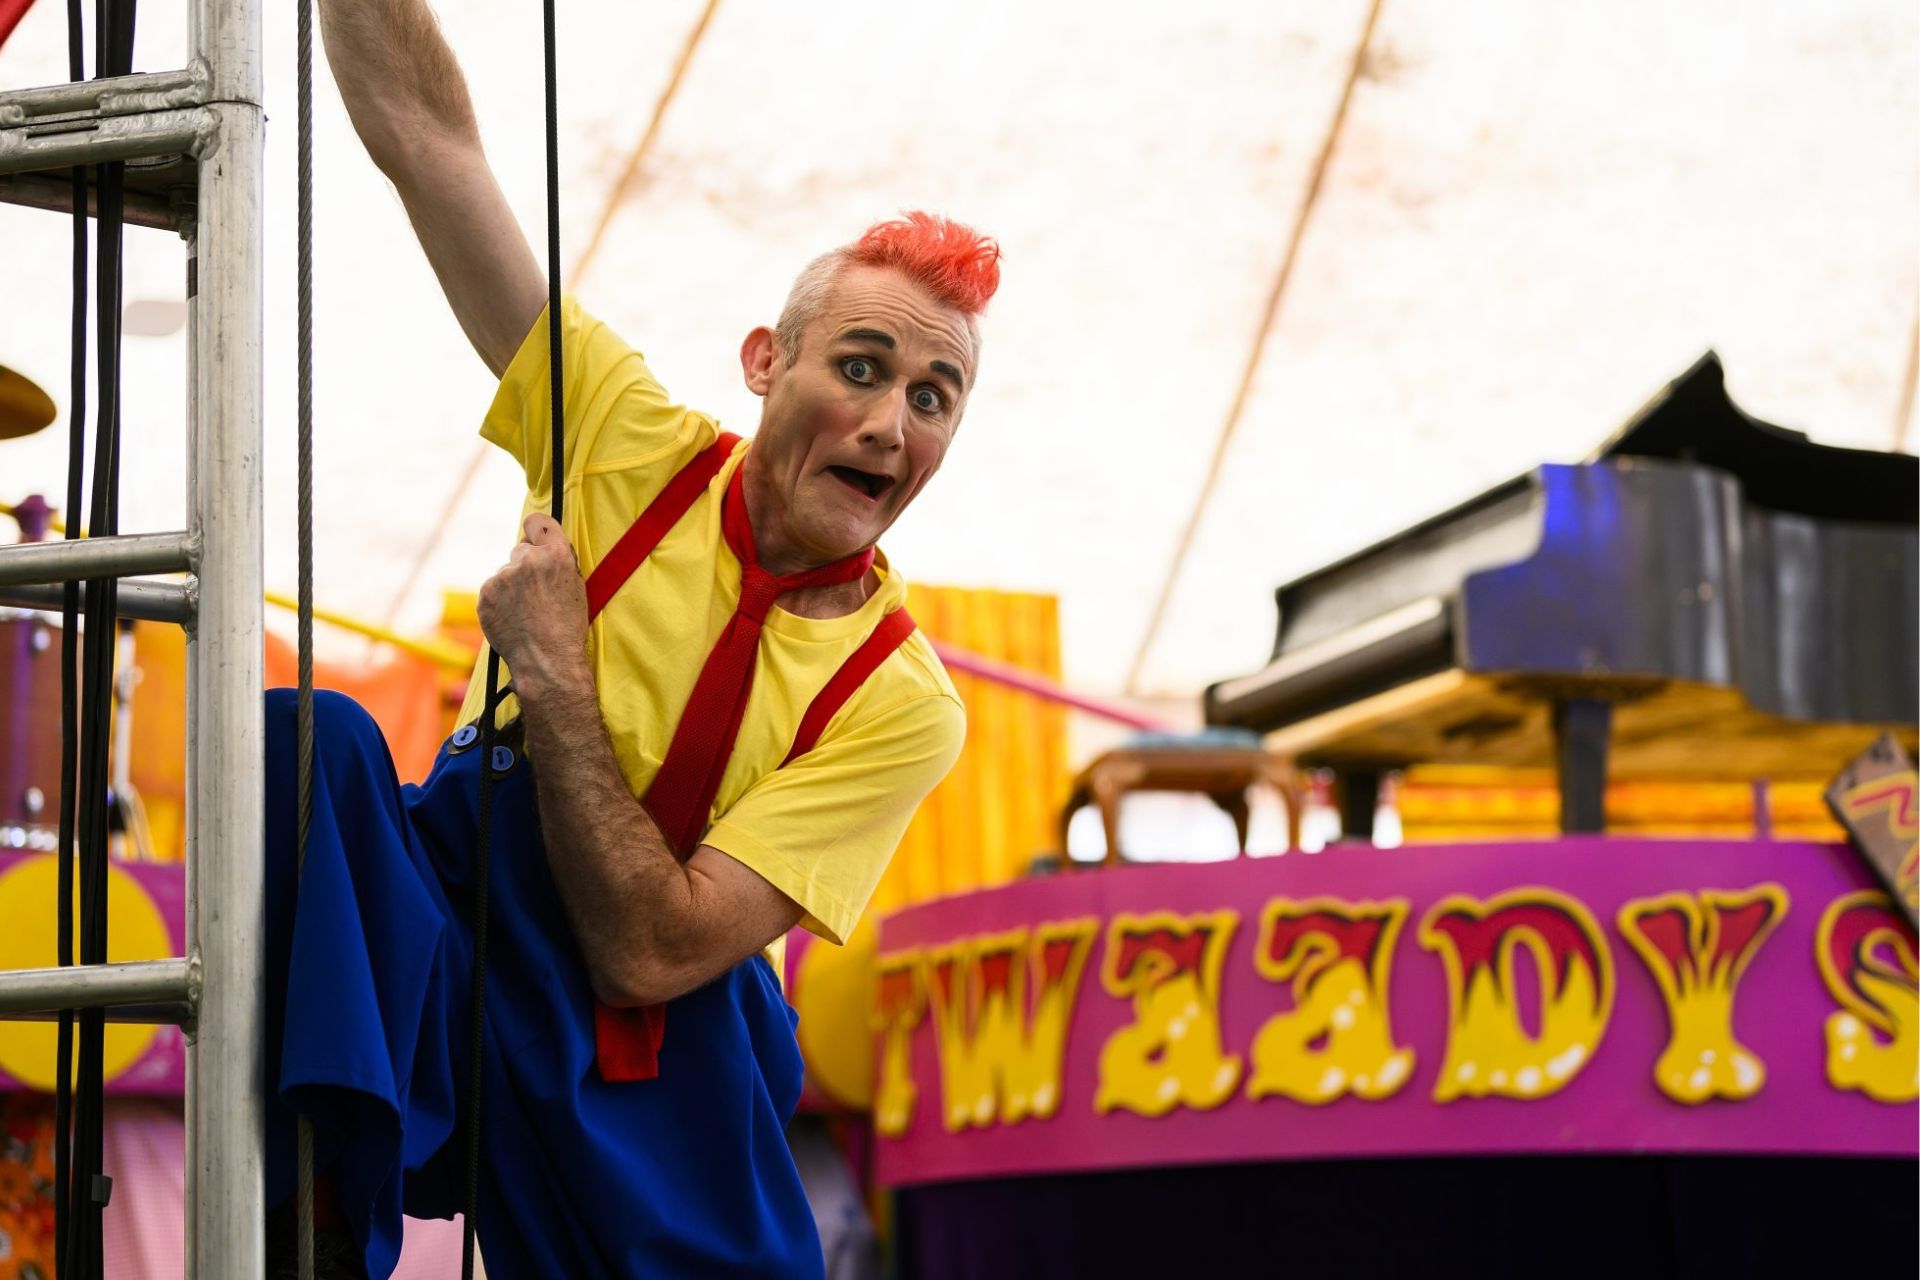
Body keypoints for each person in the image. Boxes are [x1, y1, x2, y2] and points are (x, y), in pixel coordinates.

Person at [263, 1, 996, 1275]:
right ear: (767, 361)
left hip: (650, 1042)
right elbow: (429, 141)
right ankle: (323, 1203)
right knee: (300, 738)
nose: (890, 423)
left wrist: (552, 666)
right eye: (864, 367)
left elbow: (654, 949)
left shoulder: (904, 698)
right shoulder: (619, 431)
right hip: (455, 919)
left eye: (932, 398)